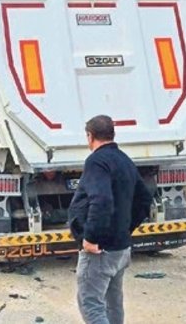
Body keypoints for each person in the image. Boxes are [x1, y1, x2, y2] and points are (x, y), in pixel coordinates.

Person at [68, 115, 153, 324]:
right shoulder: (124, 159)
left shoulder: (96, 161)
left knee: (91, 304)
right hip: (120, 249)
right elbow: (144, 199)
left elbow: (102, 199)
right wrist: (124, 229)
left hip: (100, 250)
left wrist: (91, 238)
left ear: (90, 136)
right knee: (112, 304)